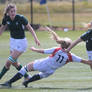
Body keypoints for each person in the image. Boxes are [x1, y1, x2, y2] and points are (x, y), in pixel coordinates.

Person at [1, 27, 92, 88]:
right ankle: (27, 82)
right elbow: (84, 61)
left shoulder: (56, 49)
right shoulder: (71, 56)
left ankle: (9, 82)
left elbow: (43, 51)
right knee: (41, 75)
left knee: (25, 68)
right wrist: (90, 62)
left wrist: (34, 49)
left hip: (44, 64)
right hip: (51, 71)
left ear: (61, 44)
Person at [0, 4, 40, 80]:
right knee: (14, 63)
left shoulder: (21, 18)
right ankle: (27, 77)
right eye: (11, 11)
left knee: (8, 62)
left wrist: (36, 38)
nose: (13, 13)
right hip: (12, 41)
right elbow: (1, 29)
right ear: (8, 12)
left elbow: (30, 28)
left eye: (14, 11)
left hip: (21, 43)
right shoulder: (6, 19)